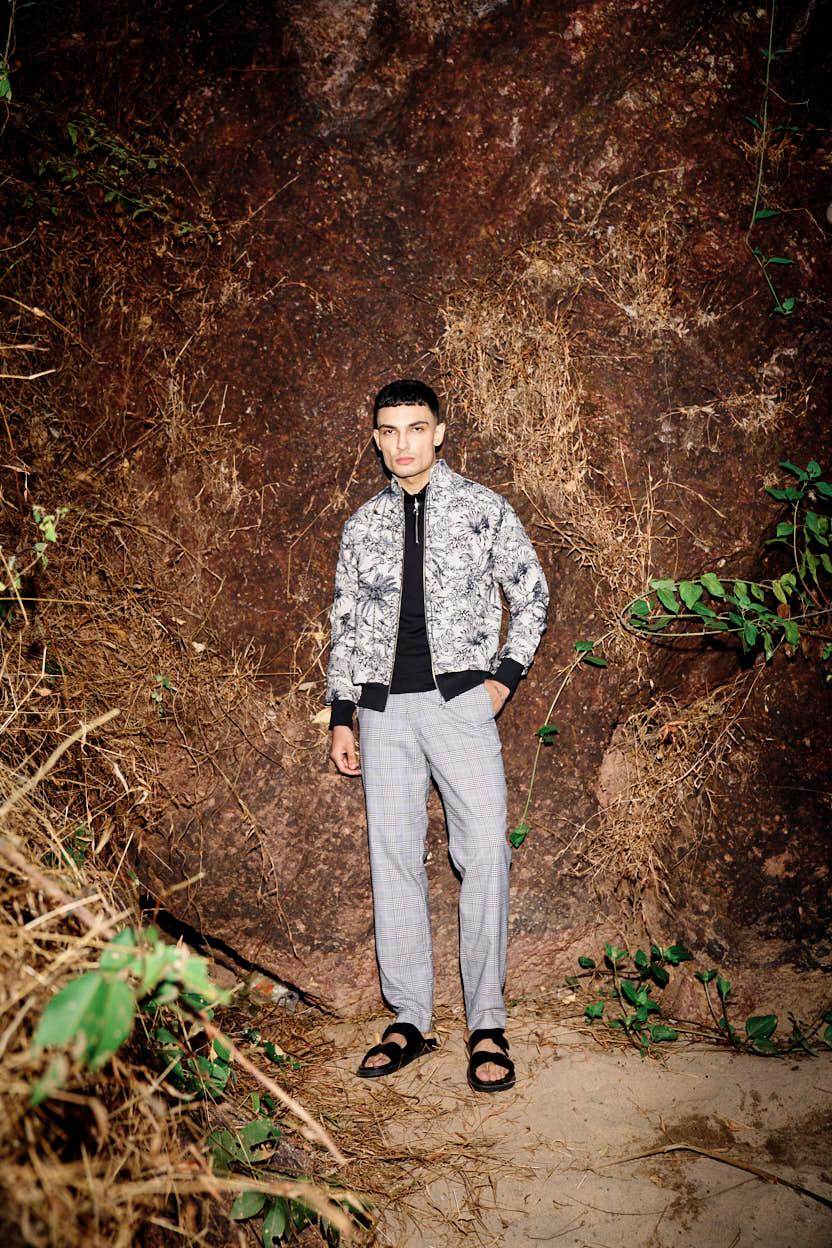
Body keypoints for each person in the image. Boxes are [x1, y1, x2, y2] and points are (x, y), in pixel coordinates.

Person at [325, 378, 549, 1092]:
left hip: (460, 706)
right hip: (383, 712)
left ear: (440, 433)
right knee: (393, 858)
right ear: (376, 439)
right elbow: (345, 624)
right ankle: (410, 1019)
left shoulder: (484, 509)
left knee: (483, 853)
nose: (403, 444)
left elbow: (532, 595)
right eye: (389, 431)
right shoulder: (361, 527)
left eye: (415, 428)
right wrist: (342, 713)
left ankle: (487, 1024)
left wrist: (503, 679)